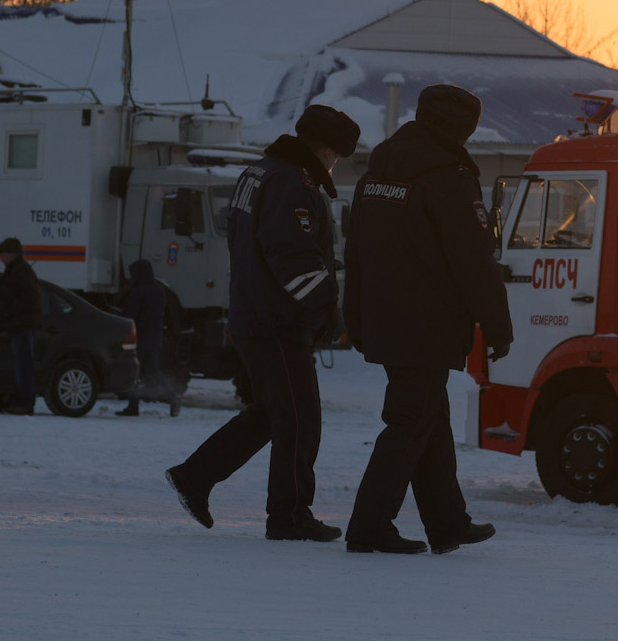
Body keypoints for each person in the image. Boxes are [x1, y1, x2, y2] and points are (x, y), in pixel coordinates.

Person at [166, 103, 360, 542]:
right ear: (326, 148)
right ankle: (289, 516)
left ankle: (195, 476)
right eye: (337, 155)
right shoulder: (292, 183)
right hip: (277, 322)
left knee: (274, 413)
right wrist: (328, 304)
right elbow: (290, 255)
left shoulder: (259, 173)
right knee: (299, 418)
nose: (335, 164)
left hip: (255, 315)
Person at [343, 84, 513, 555]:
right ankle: (369, 527)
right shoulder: (448, 177)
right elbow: (473, 262)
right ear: (461, 130)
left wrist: (354, 316)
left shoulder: (378, 172)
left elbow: (354, 251)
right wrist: (497, 326)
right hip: (426, 325)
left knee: (428, 420)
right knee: (409, 423)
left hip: (385, 320)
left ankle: (447, 523)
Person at [118, 258, 179, 417]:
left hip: (140, 337)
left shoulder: (138, 292)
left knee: (134, 372)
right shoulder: (159, 290)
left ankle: (133, 406)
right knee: (153, 370)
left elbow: (131, 316)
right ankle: (172, 398)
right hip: (155, 336)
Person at [0, 237, 42, 416]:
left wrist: (9, 312)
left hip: (22, 325)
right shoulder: (18, 269)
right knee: (22, 364)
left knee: (23, 365)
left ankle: (25, 402)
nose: (0, 258)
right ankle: (21, 400)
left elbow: (28, 298)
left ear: (10, 253)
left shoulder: (21, 271)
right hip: (20, 324)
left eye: (2, 253)